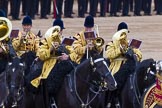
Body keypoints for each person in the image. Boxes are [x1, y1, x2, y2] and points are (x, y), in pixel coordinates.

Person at [105, 22, 142, 107]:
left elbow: (139, 54)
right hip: (116, 68)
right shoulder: (111, 44)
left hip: (129, 68)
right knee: (114, 84)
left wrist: (134, 54)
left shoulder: (130, 44)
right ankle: (111, 100)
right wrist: (120, 50)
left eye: (125, 33)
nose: (124, 35)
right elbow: (109, 54)